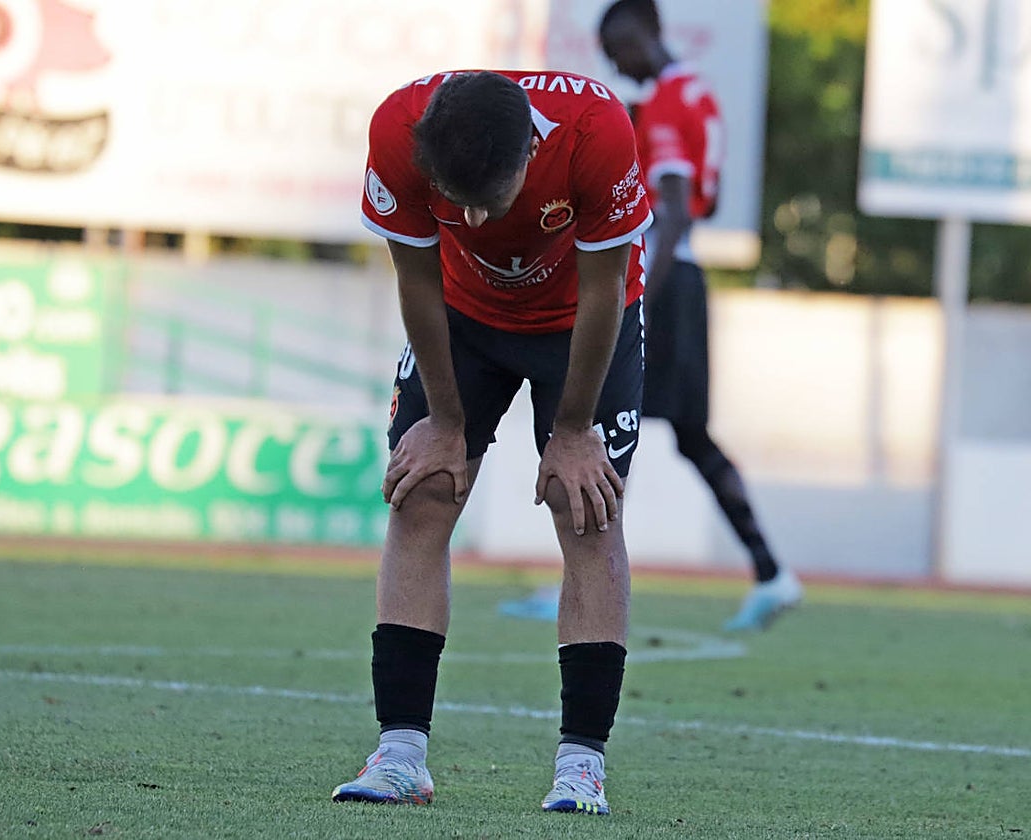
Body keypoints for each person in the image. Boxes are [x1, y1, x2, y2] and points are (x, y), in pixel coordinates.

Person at [330, 69, 653, 815]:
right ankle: (401, 756)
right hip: (462, 317)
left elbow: (607, 288)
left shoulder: (595, 133)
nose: (472, 216)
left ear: (530, 152)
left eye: (491, 197)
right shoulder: (397, 130)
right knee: (422, 497)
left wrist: (572, 431)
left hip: (579, 321)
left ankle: (581, 768)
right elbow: (415, 281)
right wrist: (446, 422)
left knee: (587, 510)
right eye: (458, 198)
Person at [599, 0, 802, 632]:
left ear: (649, 33)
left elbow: (679, 210)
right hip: (681, 276)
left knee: (597, 418)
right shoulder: (693, 93)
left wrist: (638, 304)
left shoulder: (667, 99)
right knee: (680, 432)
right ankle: (771, 572)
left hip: (665, 278)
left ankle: (580, 581)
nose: (619, 63)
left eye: (621, 47)